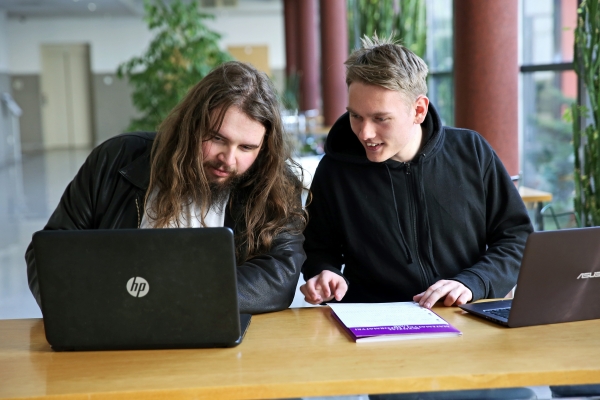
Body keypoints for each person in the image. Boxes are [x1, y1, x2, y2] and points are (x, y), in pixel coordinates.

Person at [26, 61, 307, 315]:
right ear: (191, 125)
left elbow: (279, 274)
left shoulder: (276, 184)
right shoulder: (116, 159)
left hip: (215, 336)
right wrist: (79, 312)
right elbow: (49, 252)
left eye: (246, 147)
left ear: (263, 147)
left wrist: (170, 297)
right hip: (112, 327)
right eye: (217, 139)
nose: (229, 159)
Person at [300, 35, 533, 308]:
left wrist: (474, 282)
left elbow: (516, 238)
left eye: (380, 118)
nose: (364, 133)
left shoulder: (472, 151)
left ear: (418, 110)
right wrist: (324, 272)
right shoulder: (335, 170)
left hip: (463, 315)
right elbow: (316, 249)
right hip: (371, 321)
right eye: (356, 116)